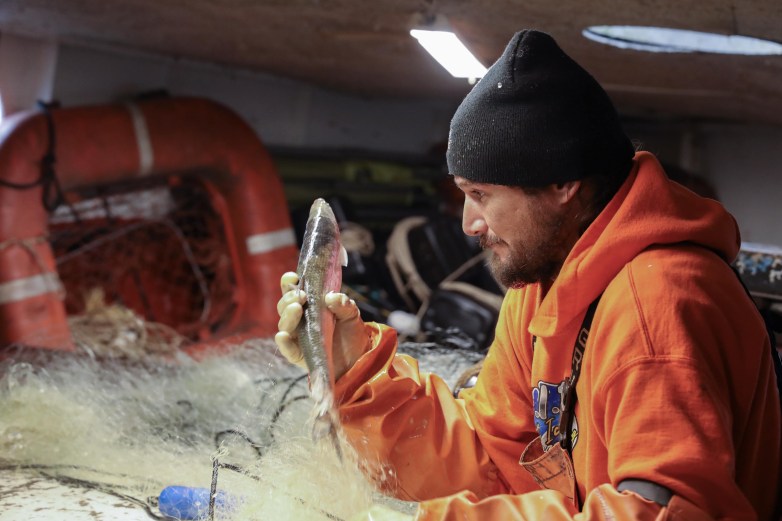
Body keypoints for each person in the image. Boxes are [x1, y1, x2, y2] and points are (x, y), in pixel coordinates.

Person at [275, 29, 782, 520]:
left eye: (482, 196)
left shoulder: (656, 304)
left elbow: (666, 514)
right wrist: (353, 369)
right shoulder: (543, 282)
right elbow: (491, 455)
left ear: (563, 183)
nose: (469, 224)